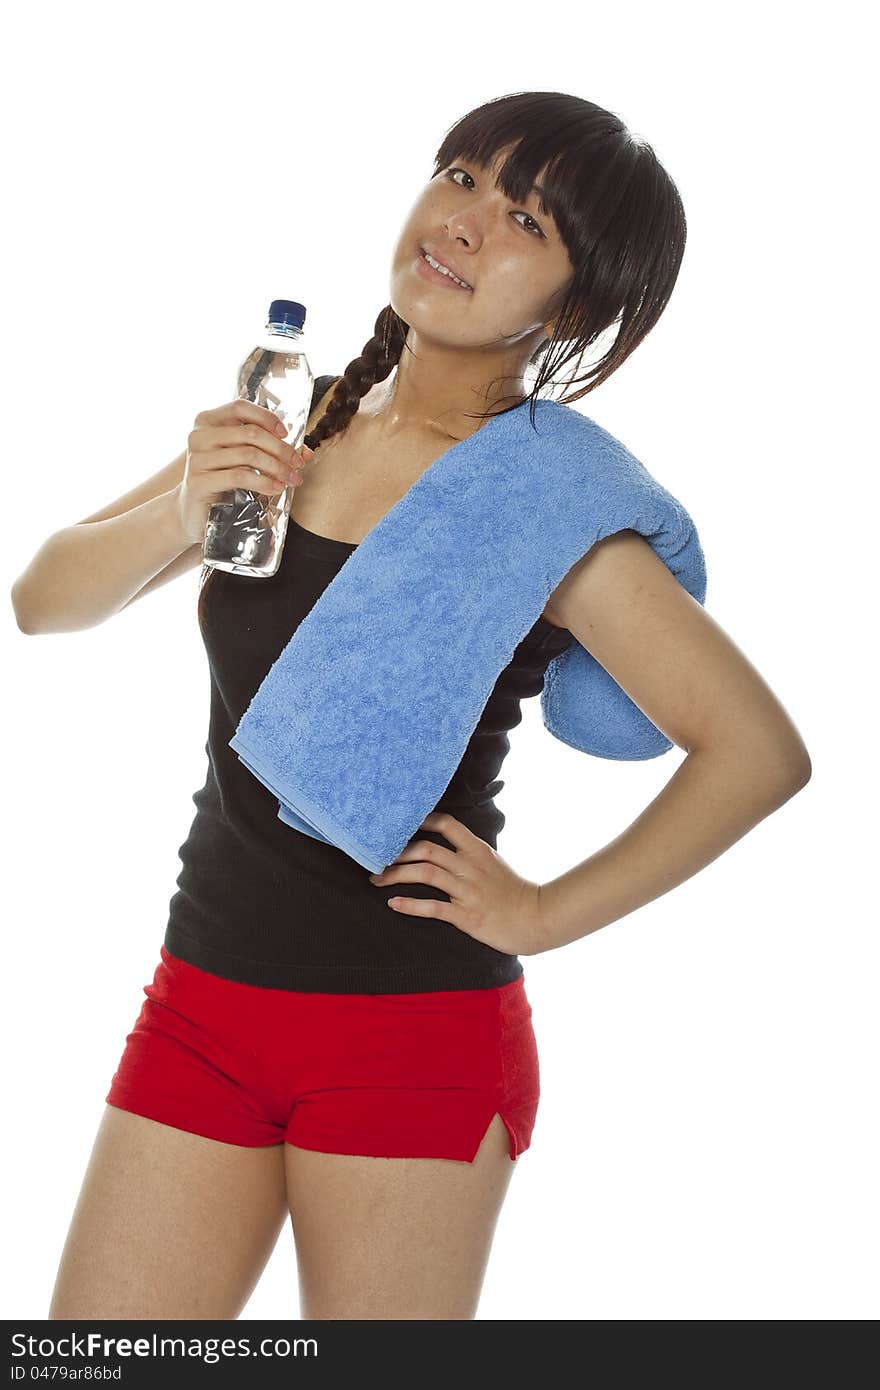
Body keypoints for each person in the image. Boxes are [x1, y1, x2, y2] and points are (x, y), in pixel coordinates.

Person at [13, 90, 811, 1321]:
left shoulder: (549, 509)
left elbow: (756, 751)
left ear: (576, 304)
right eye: (458, 175)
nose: (465, 223)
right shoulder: (304, 419)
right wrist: (188, 508)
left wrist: (542, 912)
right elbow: (42, 600)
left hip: (408, 1033)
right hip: (201, 1001)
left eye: (525, 219)